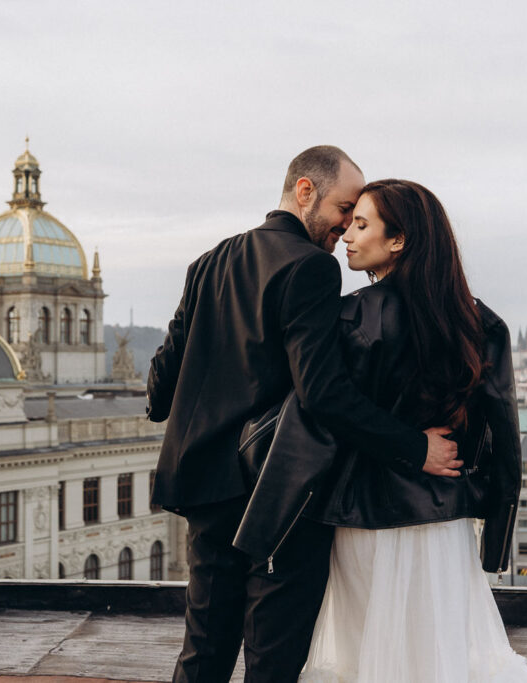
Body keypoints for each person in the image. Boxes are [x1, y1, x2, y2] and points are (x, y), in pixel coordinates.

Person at [146, 148, 462, 682]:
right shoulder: (311, 267)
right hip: (274, 492)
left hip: (201, 485)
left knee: (204, 649)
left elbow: (159, 392)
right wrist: (416, 448)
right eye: (344, 208)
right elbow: (323, 394)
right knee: (273, 657)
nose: (344, 226)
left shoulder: (209, 262)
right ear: (305, 192)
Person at [274, 179, 527, 682]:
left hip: (361, 514)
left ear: (398, 239)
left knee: (367, 657)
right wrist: (496, 540)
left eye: (361, 224)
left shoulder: (349, 316)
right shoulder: (479, 321)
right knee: (438, 656)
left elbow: (327, 414)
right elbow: (505, 438)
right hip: (443, 512)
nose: (347, 236)